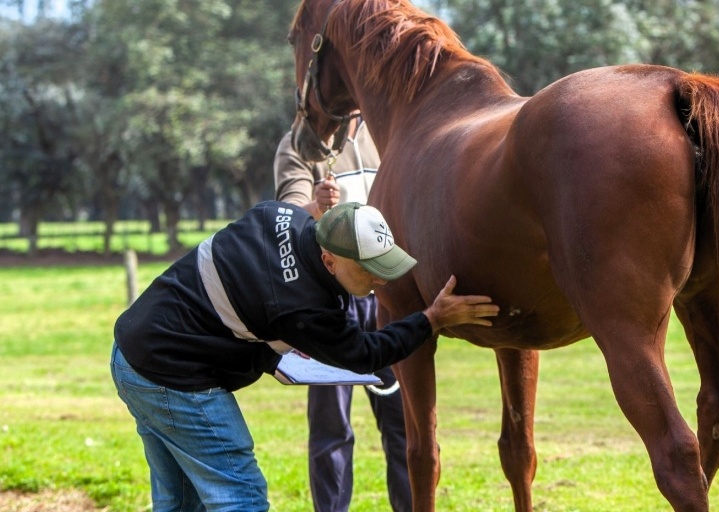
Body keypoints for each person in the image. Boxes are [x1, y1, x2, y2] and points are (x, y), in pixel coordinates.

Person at [111, 200, 500, 512]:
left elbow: (247, 283)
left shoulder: (280, 213)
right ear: (329, 261)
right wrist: (432, 319)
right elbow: (367, 353)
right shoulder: (304, 306)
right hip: (170, 374)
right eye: (369, 270)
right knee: (241, 495)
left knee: (181, 502)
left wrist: (267, 349)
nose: (381, 279)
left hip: (132, 353)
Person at [274, 119, 411, 512]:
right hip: (331, 301)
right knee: (331, 429)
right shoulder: (300, 143)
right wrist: (316, 207)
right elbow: (287, 215)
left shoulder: (388, 131)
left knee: (405, 425)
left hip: (389, 296)